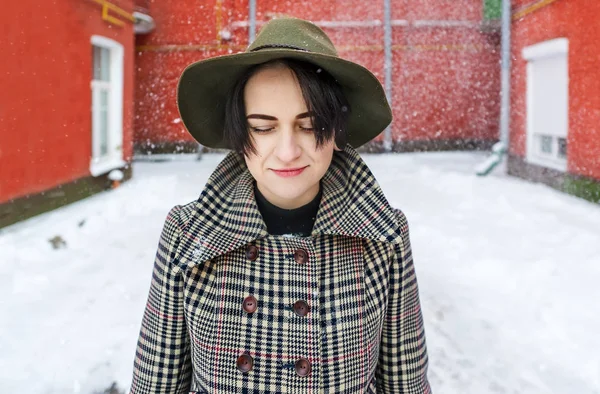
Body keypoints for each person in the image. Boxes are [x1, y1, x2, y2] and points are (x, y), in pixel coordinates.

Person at [129, 17, 431, 394]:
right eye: (263, 127)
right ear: (240, 135)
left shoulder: (384, 237)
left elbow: (406, 384)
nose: (287, 152)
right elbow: (155, 384)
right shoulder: (187, 234)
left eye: (309, 125)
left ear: (337, 131)